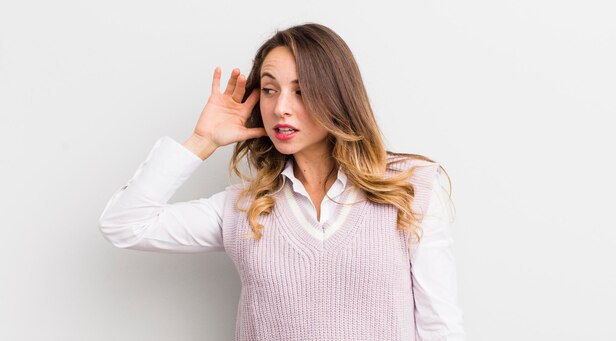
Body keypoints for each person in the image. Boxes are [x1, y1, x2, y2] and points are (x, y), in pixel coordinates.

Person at [99, 23, 465, 341]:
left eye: (301, 90)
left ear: (338, 96)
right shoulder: (246, 208)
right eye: (270, 90)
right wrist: (203, 141)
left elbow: (439, 327)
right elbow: (124, 225)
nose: (280, 107)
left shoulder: (408, 188)